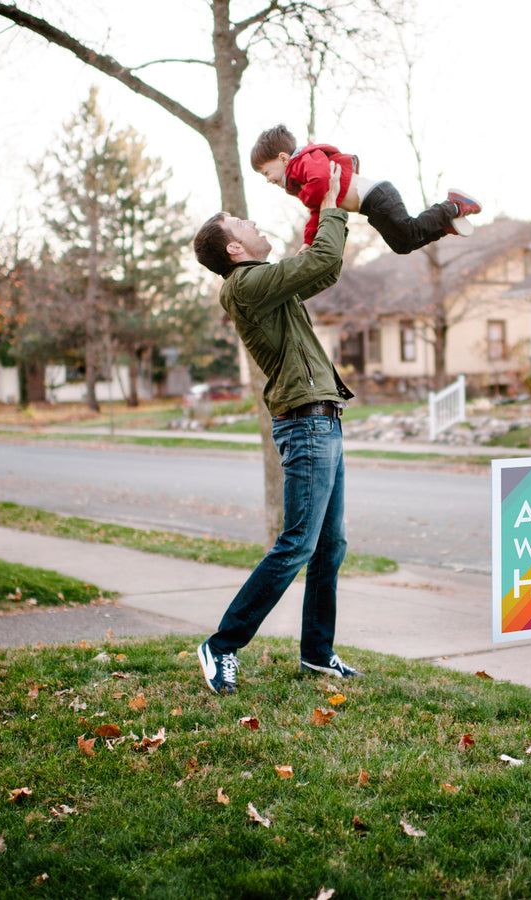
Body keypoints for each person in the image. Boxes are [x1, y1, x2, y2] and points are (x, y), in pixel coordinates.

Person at [192, 162, 360, 694]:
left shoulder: (264, 285)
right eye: (239, 221)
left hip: (323, 420)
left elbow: (321, 267)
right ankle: (221, 645)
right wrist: (331, 200)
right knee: (297, 545)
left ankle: (316, 654)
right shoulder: (246, 285)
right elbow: (325, 259)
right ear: (234, 250)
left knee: (329, 546)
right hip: (307, 425)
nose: (252, 223)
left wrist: (318, 213)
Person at [250, 124, 481, 255]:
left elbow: (321, 181)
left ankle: (453, 205)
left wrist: (308, 197)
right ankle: (445, 225)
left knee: (407, 230)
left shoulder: (304, 161)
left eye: (266, 172)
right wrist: (308, 242)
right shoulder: (301, 183)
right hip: (371, 207)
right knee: (402, 245)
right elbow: (317, 211)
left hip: (377, 196)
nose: (268, 179)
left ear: (282, 158)